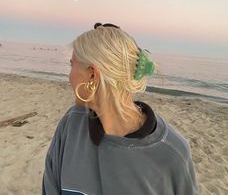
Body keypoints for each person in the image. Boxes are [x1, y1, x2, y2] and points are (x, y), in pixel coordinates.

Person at [42, 23, 199, 195]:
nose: (69, 76)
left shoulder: (172, 153)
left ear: (92, 75)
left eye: (72, 65)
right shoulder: (70, 126)